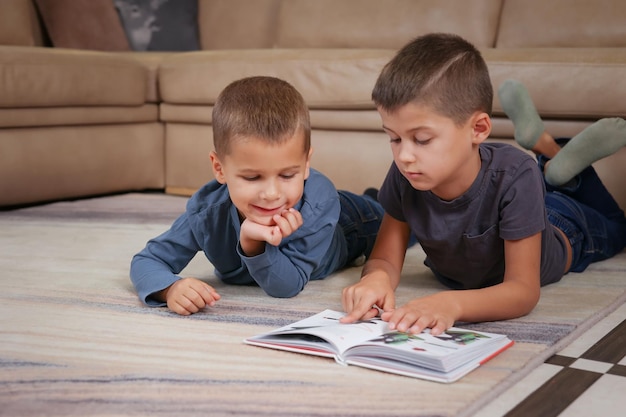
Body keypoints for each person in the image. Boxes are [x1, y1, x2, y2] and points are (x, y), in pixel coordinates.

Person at [340, 33, 626, 335]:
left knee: (616, 225)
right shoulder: (405, 175)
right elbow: (384, 257)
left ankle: (551, 156)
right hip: (524, 199)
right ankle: (550, 156)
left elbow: (522, 291)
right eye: (394, 138)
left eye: (421, 139)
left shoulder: (515, 175)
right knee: (550, 182)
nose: (404, 156)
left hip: (564, 228)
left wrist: (451, 304)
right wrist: (376, 278)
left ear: (478, 129)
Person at [131, 76, 383, 315]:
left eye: (287, 175)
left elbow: (287, 286)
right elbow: (147, 260)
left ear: (306, 164)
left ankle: (380, 198)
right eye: (252, 178)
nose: (272, 194)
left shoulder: (318, 203)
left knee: (400, 222)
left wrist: (252, 245)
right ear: (219, 168)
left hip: (354, 222)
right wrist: (169, 287)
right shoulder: (207, 213)